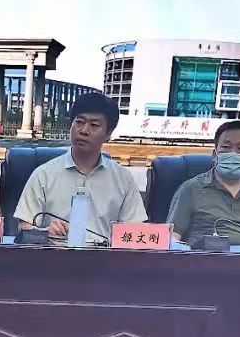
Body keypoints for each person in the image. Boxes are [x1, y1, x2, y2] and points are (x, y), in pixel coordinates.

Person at [14, 92, 146, 244]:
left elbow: (136, 231)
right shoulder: (43, 175)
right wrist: (44, 233)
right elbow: (24, 228)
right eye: (79, 122)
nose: (83, 130)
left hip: (105, 256)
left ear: (108, 134)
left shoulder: (123, 179)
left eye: (94, 125)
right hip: (55, 255)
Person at [167, 121, 240, 247]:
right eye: (226, 147)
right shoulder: (191, 189)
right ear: (215, 154)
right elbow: (171, 238)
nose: (233, 153)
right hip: (204, 258)